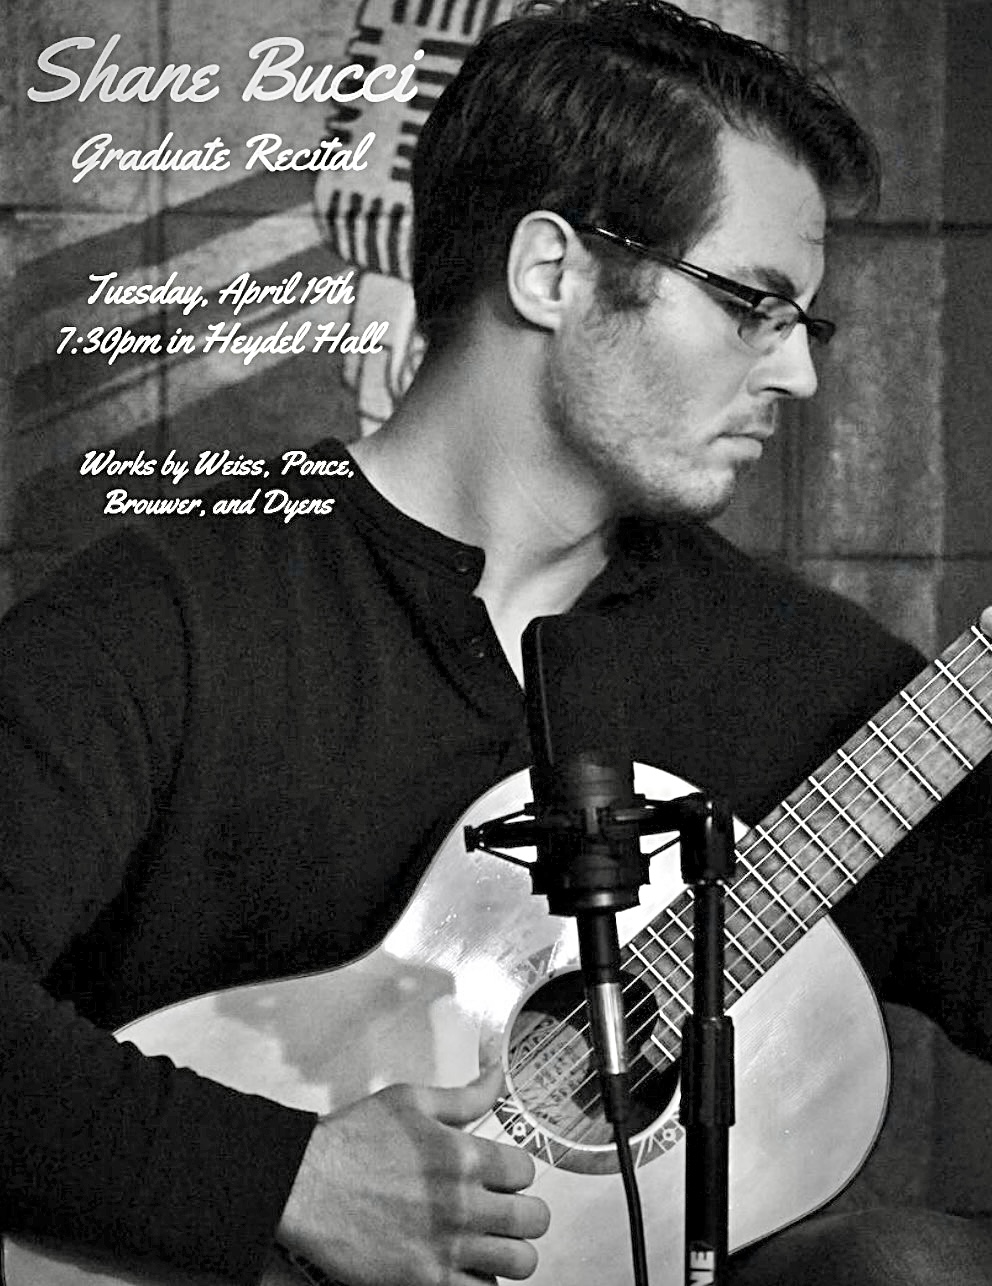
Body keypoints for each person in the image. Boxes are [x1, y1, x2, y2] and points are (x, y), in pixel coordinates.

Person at [2, 1, 992, 1283]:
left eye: (805, 321)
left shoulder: (805, 681)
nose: (797, 374)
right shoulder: (172, 612)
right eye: (752, 302)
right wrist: (282, 1178)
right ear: (549, 272)